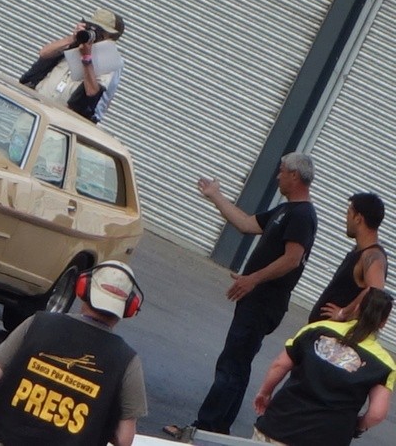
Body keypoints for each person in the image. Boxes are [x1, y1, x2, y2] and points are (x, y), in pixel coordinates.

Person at [164, 153, 318, 440]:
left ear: (295, 176)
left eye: (282, 171)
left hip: (264, 303)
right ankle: (218, 429)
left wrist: (253, 279)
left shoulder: (302, 215)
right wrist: (215, 196)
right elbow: (247, 223)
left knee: (231, 364)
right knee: (237, 364)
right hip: (256, 301)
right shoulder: (285, 211)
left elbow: (292, 259)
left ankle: (204, 429)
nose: (277, 176)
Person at [0, 260, 147, 446]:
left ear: (83, 289)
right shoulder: (128, 360)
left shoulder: (38, 323)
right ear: (129, 308)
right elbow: (124, 439)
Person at [252, 287, 395, 445]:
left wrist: (265, 393)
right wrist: (356, 426)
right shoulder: (384, 364)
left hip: (279, 425)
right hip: (328, 437)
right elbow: (377, 414)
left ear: (357, 308)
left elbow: (280, 365)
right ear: (383, 323)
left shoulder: (317, 329)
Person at [19, 9, 125, 123]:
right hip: (36, 108)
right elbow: (44, 53)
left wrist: (86, 57)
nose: (94, 34)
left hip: (64, 120)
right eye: (91, 27)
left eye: (101, 32)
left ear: (110, 38)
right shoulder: (75, 44)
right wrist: (73, 38)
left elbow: (92, 91)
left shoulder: (109, 60)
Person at [310, 192, 388, 324]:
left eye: (348, 213)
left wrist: (343, 313)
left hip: (333, 333)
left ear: (358, 218)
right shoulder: (360, 251)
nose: (346, 218)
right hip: (320, 329)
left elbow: (375, 291)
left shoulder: (372, 256)